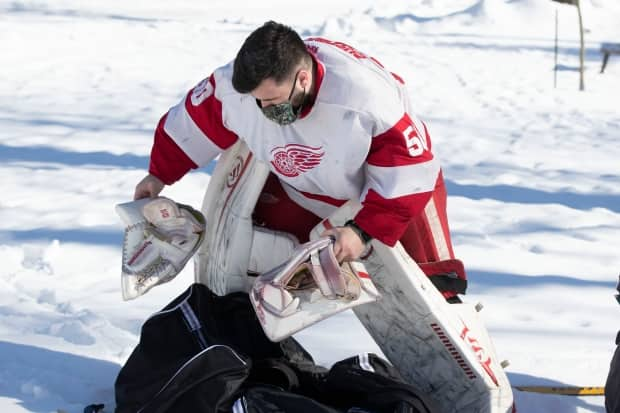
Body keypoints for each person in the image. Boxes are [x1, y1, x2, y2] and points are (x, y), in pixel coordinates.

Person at [134, 21, 466, 298]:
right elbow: (190, 123)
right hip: (304, 189)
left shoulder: (364, 99)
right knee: (246, 259)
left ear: (302, 79)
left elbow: (411, 171)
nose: (264, 110)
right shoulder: (235, 89)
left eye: (273, 101)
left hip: (394, 195)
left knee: (435, 289)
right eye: (257, 102)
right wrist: (158, 175)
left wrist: (363, 231)